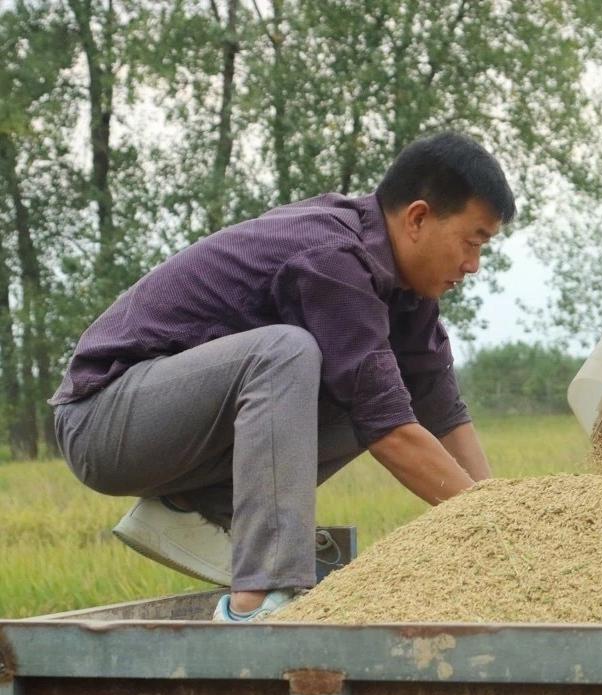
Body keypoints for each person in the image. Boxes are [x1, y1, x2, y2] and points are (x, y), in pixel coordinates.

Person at [51, 132, 515, 622]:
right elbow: (392, 434)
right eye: (472, 241)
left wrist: (507, 515)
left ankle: (191, 505)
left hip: (178, 440)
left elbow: (440, 412)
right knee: (287, 352)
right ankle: (259, 596)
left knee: (371, 382)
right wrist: (485, 523)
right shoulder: (333, 256)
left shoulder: (407, 295)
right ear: (418, 218)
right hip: (103, 416)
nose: (473, 265)